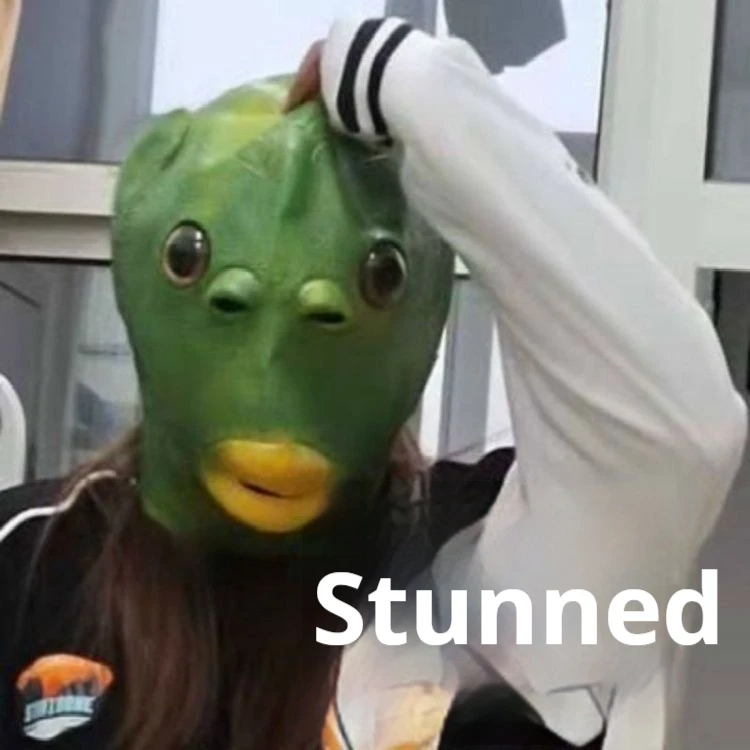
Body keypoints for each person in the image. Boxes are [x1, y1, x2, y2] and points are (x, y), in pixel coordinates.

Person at [0, 15, 745, 750]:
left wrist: (425, 93)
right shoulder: (31, 558)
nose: (280, 352)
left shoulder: (476, 576)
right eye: (191, 262)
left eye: (381, 281)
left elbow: (677, 437)